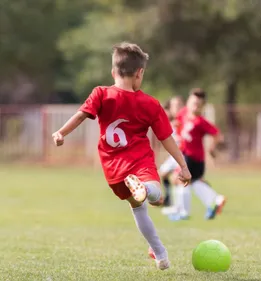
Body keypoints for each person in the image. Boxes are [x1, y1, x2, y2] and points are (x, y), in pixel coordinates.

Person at [51, 42, 192, 270]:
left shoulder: (101, 94)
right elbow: (167, 138)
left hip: (113, 169)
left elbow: (79, 116)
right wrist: (183, 166)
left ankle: (160, 254)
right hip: (140, 162)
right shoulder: (150, 104)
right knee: (154, 196)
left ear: (113, 72)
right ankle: (148, 192)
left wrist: (60, 132)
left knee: (138, 208)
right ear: (140, 73)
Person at [168, 88, 226, 221]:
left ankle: (183, 212)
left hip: (193, 157)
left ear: (202, 106)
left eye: (198, 104)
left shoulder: (201, 122)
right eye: (193, 102)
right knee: (193, 182)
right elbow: (177, 124)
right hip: (188, 156)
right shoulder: (183, 114)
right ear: (188, 102)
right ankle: (215, 200)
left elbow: (217, 134)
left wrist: (212, 148)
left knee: (180, 180)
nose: (195, 106)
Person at [158, 96, 185, 207]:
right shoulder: (170, 121)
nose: (177, 107)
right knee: (163, 174)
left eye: (179, 105)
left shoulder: (183, 120)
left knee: (176, 179)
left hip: (182, 154)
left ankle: (175, 206)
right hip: (174, 155)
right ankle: (170, 201)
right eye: (174, 105)